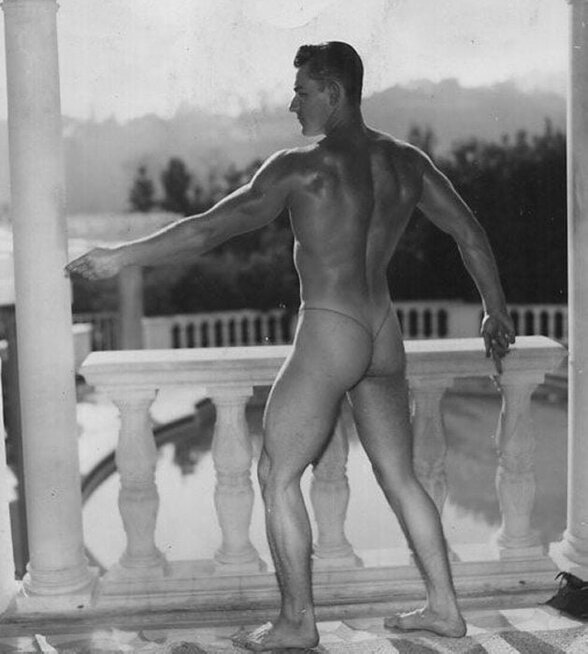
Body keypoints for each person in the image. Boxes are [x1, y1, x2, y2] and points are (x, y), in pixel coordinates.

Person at [66, 42, 515, 648]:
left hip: (332, 328)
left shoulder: (302, 167)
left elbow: (207, 230)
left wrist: (121, 257)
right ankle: (444, 608)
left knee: (276, 475)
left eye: (302, 91)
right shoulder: (407, 163)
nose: (292, 104)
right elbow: (470, 233)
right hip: (383, 330)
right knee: (402, 478)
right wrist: (494, 309)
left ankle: (298, 622)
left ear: (333, 92)